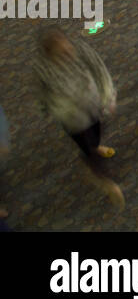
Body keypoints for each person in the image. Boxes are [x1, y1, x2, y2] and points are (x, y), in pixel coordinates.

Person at [34, 28, 122, 207]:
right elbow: (43, 92)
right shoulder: (43, 69)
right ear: (51, 55)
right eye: (61, 54)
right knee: (88, 148)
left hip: (93, 105)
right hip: (72, 119)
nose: (67, 54)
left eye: (67, 49)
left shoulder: (81, 50)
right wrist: (48, 109)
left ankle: (95, 149)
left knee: (97, 133)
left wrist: (109, 97)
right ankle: (106, 183)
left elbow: (100, 71)